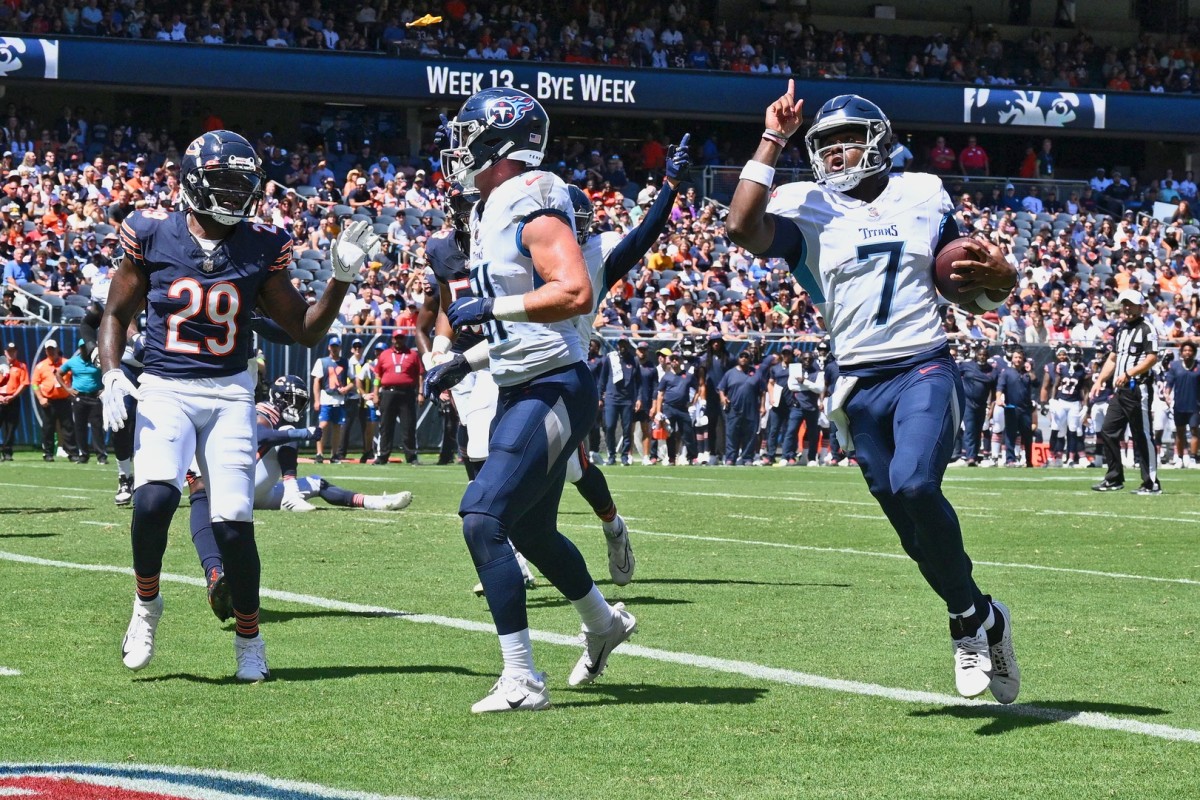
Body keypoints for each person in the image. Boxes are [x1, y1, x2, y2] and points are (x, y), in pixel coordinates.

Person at [725, 85, 1020, 703]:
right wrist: (772, 137)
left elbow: (970, 279)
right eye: (825, 144)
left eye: (847, 140)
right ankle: (983, 614)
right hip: (857, 384)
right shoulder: (806, 207)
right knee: (912, 534)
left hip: (922, 367)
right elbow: (739, 225)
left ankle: (966, 625)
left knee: (917, 483)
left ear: (879, 142)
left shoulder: (922, 194)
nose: (835, 154)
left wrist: (1004, 279)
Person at [96, 129, 377, 682]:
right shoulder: (150, 233)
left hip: (229, 392)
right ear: (195, 182)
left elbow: (303, 330)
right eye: (225, 183)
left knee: (233, 526)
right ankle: (147, 605)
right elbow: (113, 312)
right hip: (166, 384)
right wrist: (111, 375)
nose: (237, 195)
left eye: (244, 184)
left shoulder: (262, 243)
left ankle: (250, 637)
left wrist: (341, 280)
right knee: (153, 501)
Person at [425, 87, 635, 712]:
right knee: (531, 529)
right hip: (525, 381)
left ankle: (521, 678)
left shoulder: (533, 201)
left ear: (499, 141)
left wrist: (490, 306)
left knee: (482, 516)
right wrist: (467, 358)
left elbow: (573, 294)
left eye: (468, 135)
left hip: (553, 387)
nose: (458, 149)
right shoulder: (491, 208)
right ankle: (603, 622)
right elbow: (523, 323)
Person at [1090, 289, 1161, 494]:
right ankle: (1114, 478)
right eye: (1124, 304)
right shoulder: (1121, 330)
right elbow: (1112, 358)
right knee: (1108, 430)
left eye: (1131, 304)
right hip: (1121, 391)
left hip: (1138, 389)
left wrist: (1129, 373)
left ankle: (1151, 483)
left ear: (1141, 307)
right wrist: (1100, 380)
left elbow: (1151, 358)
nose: (1127, 308)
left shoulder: (1147, 329)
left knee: (1142, 435)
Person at [373, 330, 422, 464]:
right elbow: (377, 376)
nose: (398, 340)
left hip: (407, 392)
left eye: (401, 338)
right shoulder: (385, 354)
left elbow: (420, 374)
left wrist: (421, 393)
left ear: (404, 339)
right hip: (388, 392)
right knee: (386, 425)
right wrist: (375, 393)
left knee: (409, 425)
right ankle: (383, 455)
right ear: (392, 339)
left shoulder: (412, 354)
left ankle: (411, 456)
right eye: (396, 338)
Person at [56, 337, 105, 464]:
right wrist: (67, 389)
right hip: (79, 397)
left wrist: (104, 388)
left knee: (97, 427)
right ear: (80, 349)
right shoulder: (73, 362)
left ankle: (101, 456)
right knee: (80, 427)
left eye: (89, 348)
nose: (87, 350)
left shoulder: (98, 361)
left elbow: (108, 373)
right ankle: (83, 454)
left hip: (94, 397)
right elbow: (58, 373)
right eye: (84, 348)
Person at [1040, 344, 1090, 467]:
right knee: (1056, 429)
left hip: (1074, 403)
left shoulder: (1083, 371)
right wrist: (1052, 399)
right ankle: (1052, 457)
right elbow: (1056, 385)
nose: (1074, 357)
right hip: (1061, 402)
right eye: (1072, 355)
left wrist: (1085, 405)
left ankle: (1071, 459)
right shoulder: (1061, 367)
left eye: (1076, 355)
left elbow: (1086, 389)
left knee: (1073, 430)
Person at [31, 338, 76, 461]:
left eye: (52, 349)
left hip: (64, 400)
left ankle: (72, 453)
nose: (50, 351)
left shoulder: (66, 363)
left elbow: (76, 376)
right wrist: (40, 398)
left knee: (68, 427)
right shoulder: (41, 366)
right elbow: (34, 383)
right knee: (48, 428)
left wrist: (72, 390)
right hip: (48, 401)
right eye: (48, 349)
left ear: (57, 349)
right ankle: (48, 453)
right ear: (45, 351)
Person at [311, 335, 350, 464]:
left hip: (339, 399)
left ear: (340, 348)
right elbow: (316, 381)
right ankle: (319, 453)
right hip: (326, 397)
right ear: (328, 347)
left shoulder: (345, 362)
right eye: (332, 346)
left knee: (337, 427)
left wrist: (347, 388)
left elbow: (353, 381)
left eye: (336, 346)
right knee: (323, 425)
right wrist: (316, 400)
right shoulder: (322, 361)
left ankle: (334, 454)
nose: (334, 349)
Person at [958, 340, 997, 466]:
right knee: (969, 429)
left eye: (985, 355)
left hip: (981, 405)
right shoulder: (966, 366)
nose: (982, 357)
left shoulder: (991, 370)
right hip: (968, 402)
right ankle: (970, 457)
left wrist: (991, 407)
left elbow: (994, 390)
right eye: (980, 354)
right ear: (976, 355)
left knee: (978, 430)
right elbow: (955, 377)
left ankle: (974, 455)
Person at [996, 346, 1036, 467]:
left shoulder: (1027, 373)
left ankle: (1028, 460)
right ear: (1012, 359)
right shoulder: (1006, 372)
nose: (1018, 359)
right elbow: (1000, 387)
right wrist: (998, 398)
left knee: (1027, 435)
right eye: (1016, 357)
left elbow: (1036, 382)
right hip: (1011, 407)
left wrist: (1030, 371)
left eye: (1020, 357)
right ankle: (1010, 459)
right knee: (1010, 434)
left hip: (1025, 409)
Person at [1167, 340, 1200, 467]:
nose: (1187, 353)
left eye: (1190, 350)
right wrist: (1167, 394)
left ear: (1194, 353)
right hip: (1179, 404)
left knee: (1194, 431)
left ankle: (1193, 458)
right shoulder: (1175, 366)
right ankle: (1180, 458)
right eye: (1185, 350)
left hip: (1195, 404)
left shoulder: (1198, 366)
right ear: (1181, 353)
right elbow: (1169, 382)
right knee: (1180, 432)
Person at [0, 341, 29, 460]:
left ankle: (7, 452)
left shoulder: (21, 366)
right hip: (0, 397)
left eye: (13, 351)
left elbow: (24, 383)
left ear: (16, 352)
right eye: (9, 351)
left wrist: (13, 396)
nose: (11, 354)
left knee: (11, 427)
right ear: (4, 352)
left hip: (13, 399)